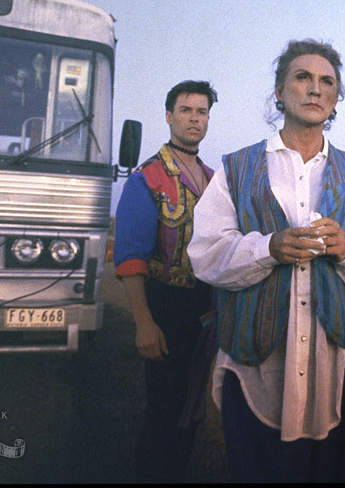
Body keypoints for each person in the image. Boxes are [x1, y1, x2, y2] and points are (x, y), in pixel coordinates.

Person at [187, 39, 345, 482]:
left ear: (336, 98)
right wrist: (267, 248)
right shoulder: (236, 167)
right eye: (302, 77)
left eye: (327, 81)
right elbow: (205, 254)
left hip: (340, 366)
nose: (315, 89)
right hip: (259, 368)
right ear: (279, 92)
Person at [112, 80, 219, 483]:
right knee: (164, 405)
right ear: (169, 116)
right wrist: (143, 321)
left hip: (203, 307)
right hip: (163, 304)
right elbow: (130, 256)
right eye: (186, 110)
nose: (194, 118)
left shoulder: (213, 180)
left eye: (202, 111)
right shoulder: (148, 178)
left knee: (191, 406)